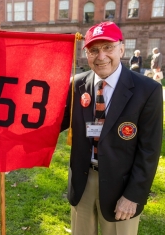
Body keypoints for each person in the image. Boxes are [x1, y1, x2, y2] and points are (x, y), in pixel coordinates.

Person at [61, 21, 163, 235]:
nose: (101, 56)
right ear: (86, 53)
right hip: (83, 181)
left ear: (121, 49)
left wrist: (134, 195)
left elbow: (150, 151)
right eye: (94, 50)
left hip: (122, 186)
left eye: (108, 47)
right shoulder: (77, 84)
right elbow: (53, 122)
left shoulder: (148, 90)